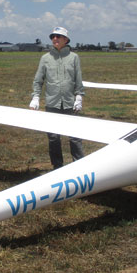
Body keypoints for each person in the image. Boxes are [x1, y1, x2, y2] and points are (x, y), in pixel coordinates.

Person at [30, 26, 85, 168]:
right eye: (53, 36)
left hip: (70, 103)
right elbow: (38, 80)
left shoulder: (74, 57)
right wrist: (35, 97)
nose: (55, 39)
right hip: (52, 103)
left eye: (58, 36)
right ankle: (57, 166)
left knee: (75, 136)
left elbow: (78, 79)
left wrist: (79, 96)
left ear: (66, 40)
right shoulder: (45, 58)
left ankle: (79, 166)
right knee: (53, 137)